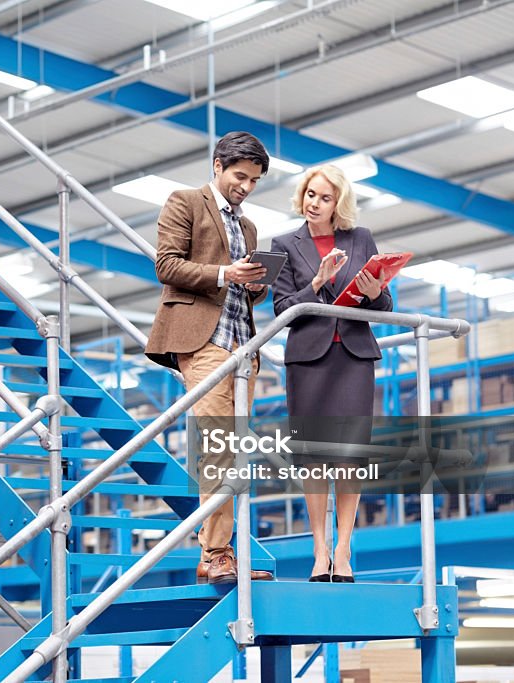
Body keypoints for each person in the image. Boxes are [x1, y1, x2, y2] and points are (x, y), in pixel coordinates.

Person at [145, 131, 275, 584]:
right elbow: (167, 265)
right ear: (217, 165)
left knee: (236, 453)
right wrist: (225, 272)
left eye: (254, 181)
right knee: (219, 447)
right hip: (204, 342)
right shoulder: (184, 202)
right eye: (240, 176)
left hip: (244, 346)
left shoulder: (248, 226)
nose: (246, 187)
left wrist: (255, 283)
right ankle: (216, 553)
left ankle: (219, 553)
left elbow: (243, 293)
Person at [270, 164, 392, 583]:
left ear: (338, 202)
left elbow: (384, 306)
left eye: (324, 197)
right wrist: (317, 283)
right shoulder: (283, 244)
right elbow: (280, 309)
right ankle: (319, 548)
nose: (314, 203)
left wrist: (375, 293)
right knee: (315, 459)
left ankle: (343, 550)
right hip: (309, 361)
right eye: (310, 194)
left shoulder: (361, 238)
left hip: (353, 358)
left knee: (349, 460)